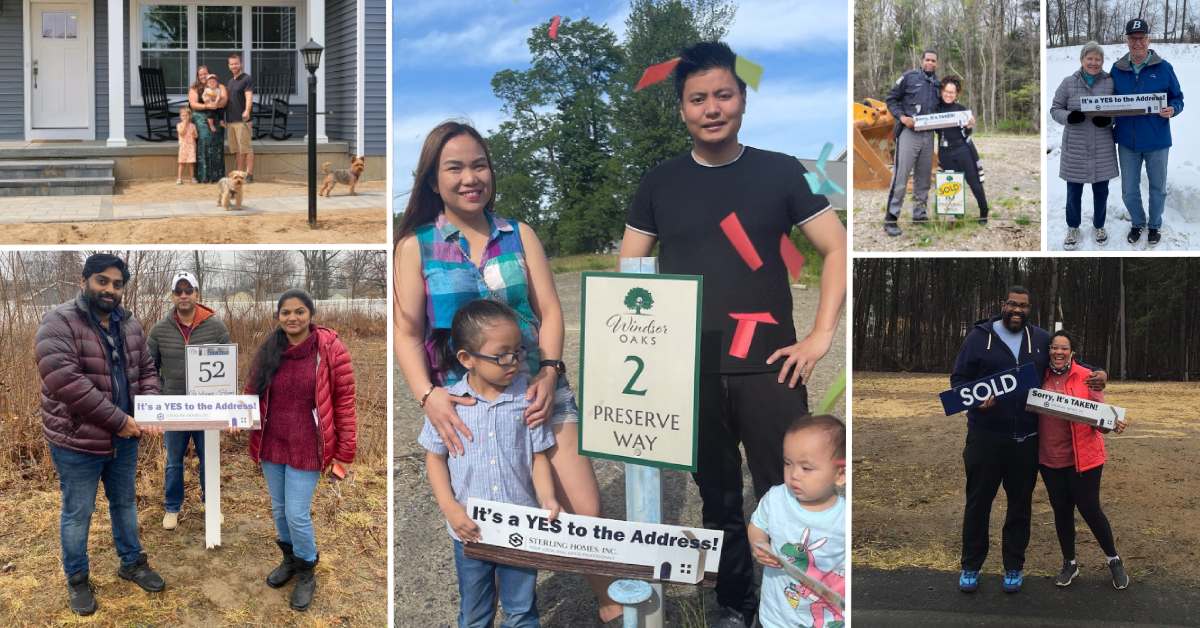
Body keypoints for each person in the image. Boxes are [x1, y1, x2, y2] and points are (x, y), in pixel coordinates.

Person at [618, 41, 846, 628]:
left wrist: (820, 335)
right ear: (682, 109)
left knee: (789, 491)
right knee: (718, 498)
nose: (711, 108)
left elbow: (836, 247)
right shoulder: (660, 183)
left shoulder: (779, 170)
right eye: (698, 99)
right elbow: (626, 273)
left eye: (723, 94)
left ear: (742, 99)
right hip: (688, 370)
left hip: (771, 367)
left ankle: (801, 606)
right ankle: (737, 604)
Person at [394, 121, 620, 622]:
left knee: (585, 509)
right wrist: (427, 394)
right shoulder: (416, 245)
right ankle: (499, 605)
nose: (470, 177)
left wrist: (551, 370)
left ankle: (609, 604)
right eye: (455, 167)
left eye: (479, 165)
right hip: (466, 401)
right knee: (489, 504)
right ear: (434, 180)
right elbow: (406, 333)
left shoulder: (519, 234)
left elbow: (552, 313)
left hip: (541, 390)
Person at [950, 285, 1106, 594]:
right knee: (979, 503)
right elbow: (958, 381)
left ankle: (1014, 567)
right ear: (1002, 304)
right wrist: (973, 401)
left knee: (1019, 506)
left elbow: (1072, 361)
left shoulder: (1042, 339)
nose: (1017, 310)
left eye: (1023, 305)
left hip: (1026, 441)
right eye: (1012, 304)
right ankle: (971, 565)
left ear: (1029, 308)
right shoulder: (979, 338)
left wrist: (1100, 371)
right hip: (985, 438)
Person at [35, 253, 165, 616]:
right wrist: (119, 420)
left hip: (124, 440)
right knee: (78, 512)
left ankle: (132, 562)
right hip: (78, 441)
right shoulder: (58, 322)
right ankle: (77, 579)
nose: (110, 289)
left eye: (117, 284)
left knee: (124, 503)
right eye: (102, 281)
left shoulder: (131, 325)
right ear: (84, 281)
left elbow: (148, 371)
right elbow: (66, 383)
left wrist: (150, 407)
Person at [419, 299, 560, 628]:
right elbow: (435, 459)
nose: (513, 362)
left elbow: (538, 457)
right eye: (502, 355)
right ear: (467, 359)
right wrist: (451, 509)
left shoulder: (527, 398)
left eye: (518, 351)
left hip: (519, 528)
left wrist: (548, 498)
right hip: (470, 531)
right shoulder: (449, 404)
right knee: (475, 612)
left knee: (522, 610)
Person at [246, 289, 356, 612]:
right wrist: (238, 418)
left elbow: (345, 404)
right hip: (272, 444)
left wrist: (344, 454)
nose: (292, 318)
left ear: (311, 314)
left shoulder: (330, 350)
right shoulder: (269, 350)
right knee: (279, 510)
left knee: (297, 513)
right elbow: (251, 393)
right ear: (277, 317)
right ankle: (289, 560)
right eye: (285, 313)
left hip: (308, 447)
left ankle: (307, 569)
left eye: (299, 312)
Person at [1037, 330, 1130, 590]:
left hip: (1085, 459)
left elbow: (1100, 418)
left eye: (1064, 348)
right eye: (1054, 348)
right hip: (1050, 459)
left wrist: (1112, 423)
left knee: (1090, 509)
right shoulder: (1039, 376)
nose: (1058, 352)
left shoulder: (1087, 377)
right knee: (1062, 511)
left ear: (1072, 353)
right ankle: (1070, 563)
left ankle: (1114, 560)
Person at [147, 271, 230, 530]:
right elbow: (150, 370)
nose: (184, 295)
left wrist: (226, 405)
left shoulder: (216, 327)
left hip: (207, 408)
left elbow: (227, 367)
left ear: (197, 293)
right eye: (179, 291)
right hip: (174, 408)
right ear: (172, 296)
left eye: (188, 290)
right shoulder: (160, 330)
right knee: (174, 460)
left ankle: (211, 505)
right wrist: (159, 401)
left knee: (209, 458)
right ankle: (172, 508)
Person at [749, 415, 845, 628]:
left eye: (806, 468)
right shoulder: (775, 499)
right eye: (787, 463)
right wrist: (760, 544)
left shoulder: (843, 518)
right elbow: (757, 525)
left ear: (840, 474)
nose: (794, 475)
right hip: (775, 618)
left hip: (829, 619)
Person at [1111, 18, 1184, 246]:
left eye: (1141, 37)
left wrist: (1173, 109)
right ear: (1127, 41)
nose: (1137, 42)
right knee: (1128, 190)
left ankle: (1154, 226)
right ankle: (1138, 222)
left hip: (1157, 140)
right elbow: (1108, 100)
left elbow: (1178, 98)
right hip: (1127, 141)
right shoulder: (1118, 68)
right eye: (1133, 38)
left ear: (1148, 39)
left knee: (1157, 188)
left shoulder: (1164, 68)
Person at [1050, 42, 1119, 249]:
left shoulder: (1110, 83)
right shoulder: (1068, 83)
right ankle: (1073, 227)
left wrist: (1109, 120)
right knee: (1073, 192)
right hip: (1076, 148)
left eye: (1098, 59)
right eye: (1089, 58)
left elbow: (1120, 108)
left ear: (1102, 61)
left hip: (1102, 147)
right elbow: (1055, 109)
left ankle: (1099, 225)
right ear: (1082, 60)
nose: (1093, 63)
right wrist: (1070, 117)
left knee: (1101, 191)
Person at [883, 50, 941, 237]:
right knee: (901, 176)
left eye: (933, 60)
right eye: (927, 59)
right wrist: (902, 117)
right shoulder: (909, 78)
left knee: (923, 178)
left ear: (936, 63)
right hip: (909, 133)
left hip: (928, 135)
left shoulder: (937, 85)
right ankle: (891, 218)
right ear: (922, 61)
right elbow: (891, 99)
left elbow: (945, 109)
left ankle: (919, 214)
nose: (930, 63)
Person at [934, 76, 988, 224]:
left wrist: (969, 126)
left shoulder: (962, 110)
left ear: (956, 94)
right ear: (942, 91)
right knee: (951, 182)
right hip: (944, 152)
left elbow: (967, 133)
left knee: (973, 181)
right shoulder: (935, 108)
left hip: (962, 149)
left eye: (952, 92)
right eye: (946, 91)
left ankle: (984, 211)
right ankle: (955, 213)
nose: (948, 94)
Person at [188, 66, 227, 184]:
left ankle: (217, 175)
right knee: (205, 138)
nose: (203, 76)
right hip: (200, 115)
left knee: (216, 138)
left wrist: (216, 104)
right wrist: (206, 106)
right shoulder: (194, 88)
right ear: (198, 76)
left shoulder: (219, 86)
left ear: (209, 73)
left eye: (205, 73)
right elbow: (193, 104)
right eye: (201, 74)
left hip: (216, 113)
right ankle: (203, 175)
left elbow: (224, 100)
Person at [225, 53, 255, 183]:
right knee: (237, 150)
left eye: (236, 63)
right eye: (231, 64)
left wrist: (247, 110)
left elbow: (249, 96)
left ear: (240, 64)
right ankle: (240, 173)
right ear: (229, 66)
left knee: (246, 148)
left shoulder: (246, 79)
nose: (234, 66)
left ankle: (249, 174)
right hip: (231, 121)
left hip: (243, 120)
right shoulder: (230, 82)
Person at [176, 106, 197, 185]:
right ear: (180, 116)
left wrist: (194, 134)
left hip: (191, 146)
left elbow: (196, 135)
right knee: (181, 163)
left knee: (191, 163)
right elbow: (181, 133)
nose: (185, 117)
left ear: (190, 116)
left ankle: (192, 178)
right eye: (183, 115)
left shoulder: (192, 125)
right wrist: (185, 124)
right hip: (183, 147)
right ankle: (179, 178)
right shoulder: (179, 125)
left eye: (186, 115)